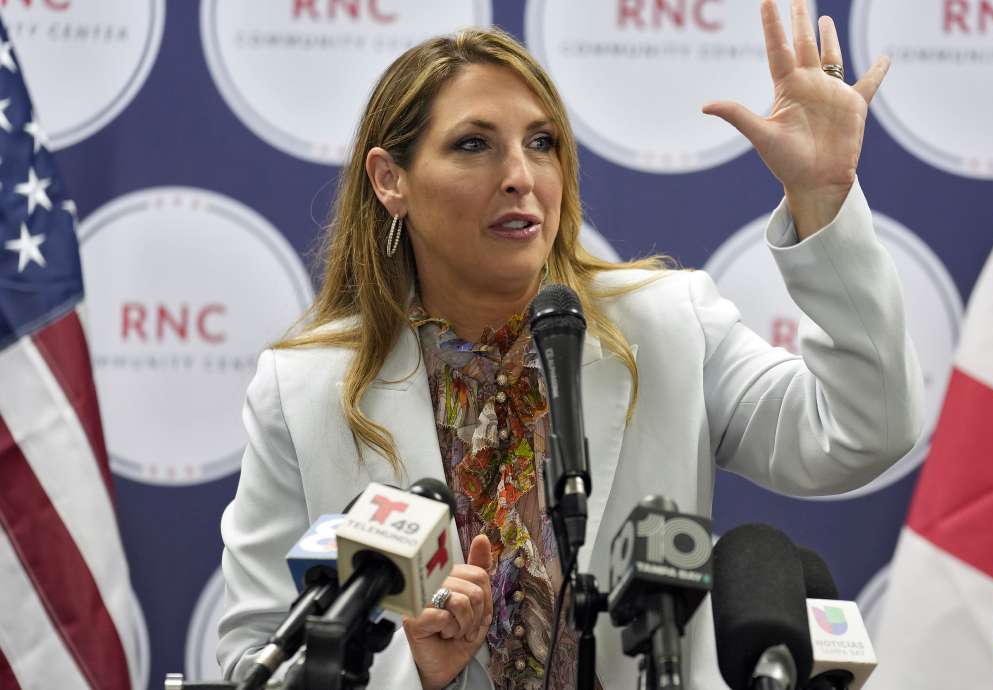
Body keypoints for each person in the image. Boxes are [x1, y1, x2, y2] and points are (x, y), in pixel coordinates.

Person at [216, 1, 923, 688]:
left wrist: (822, 198)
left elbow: (863, 431)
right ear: (389, 179)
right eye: (474, 144)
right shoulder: (306, 390)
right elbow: (254, 654)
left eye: (541, 143)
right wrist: (415, 673)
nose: (520, 177)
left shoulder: (668, 325)